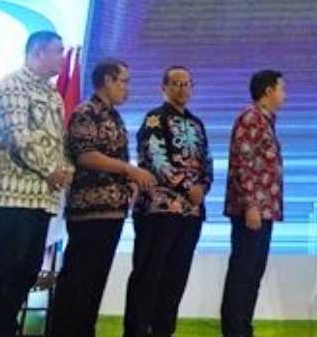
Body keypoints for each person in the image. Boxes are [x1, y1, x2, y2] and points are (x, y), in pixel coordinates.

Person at [0, 30, 72, 337]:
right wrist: (50, 169)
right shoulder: (10, 86)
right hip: (7, 194)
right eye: (57, 51)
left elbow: (59, 141)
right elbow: (18, 137)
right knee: (1, 268)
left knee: (27, 270)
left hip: (41, 197)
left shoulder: (53, 95)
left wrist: (65, 170)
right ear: (37, 52)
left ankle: (2, 327)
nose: (62, 58)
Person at [50, 59, 156, 337]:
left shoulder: (114, 116)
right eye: (124, 81)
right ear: (107, 80)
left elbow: (120, 157)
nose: (127, 88)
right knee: (78, 281)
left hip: (113, 211)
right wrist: (129, 170)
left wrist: (130, 185)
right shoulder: (87, 111)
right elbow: (86, 155)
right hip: (89, 211)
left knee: (95, 284)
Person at [124, 66, 214, 337]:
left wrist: (202, 188)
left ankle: (164, 331)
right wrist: (187, 186)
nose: (181, 89)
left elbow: (207, 161)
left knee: (176, 278)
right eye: (175, 83)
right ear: (164, 87)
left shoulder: (197, 123)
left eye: (186, 84)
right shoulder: (155, 119)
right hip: (158, 211)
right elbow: (155, 159)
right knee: (149, 276)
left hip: (191, 213)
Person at [220, 69, 288, 337]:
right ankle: (235, 330)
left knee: (253, 274)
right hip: (252, 210)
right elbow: (242, 164)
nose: (284, 95)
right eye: (281, 89)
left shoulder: (266, 120)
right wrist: (250, 205)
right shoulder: (251, 118)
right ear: (268, 91)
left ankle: (243, 328)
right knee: (243, 273)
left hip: (264, 210)